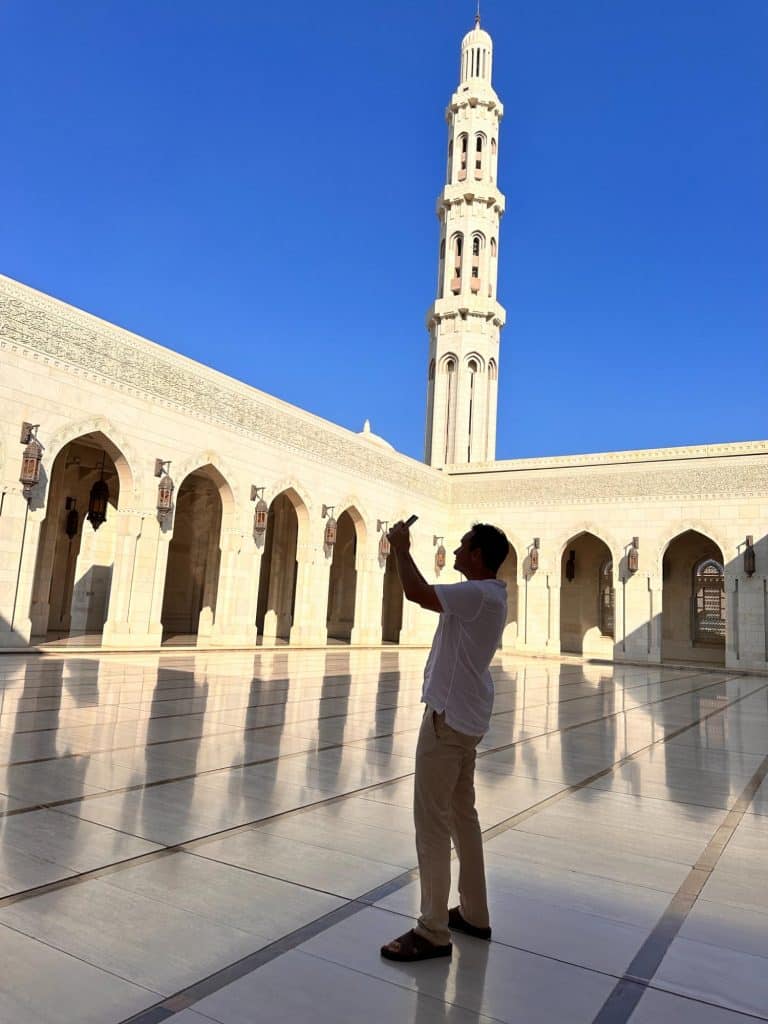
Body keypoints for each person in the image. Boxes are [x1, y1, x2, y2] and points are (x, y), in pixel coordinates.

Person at [380, 520, 509, 962]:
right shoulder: (489, 596)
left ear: (476, 556)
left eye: (462, 545)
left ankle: (433, 928)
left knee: (432, 823)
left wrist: (400, 547)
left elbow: (416, 591)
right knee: (461, 815)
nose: (455, 549)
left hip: (448, 720)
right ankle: (473, 911)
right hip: (467, 719)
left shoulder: (477, 594)